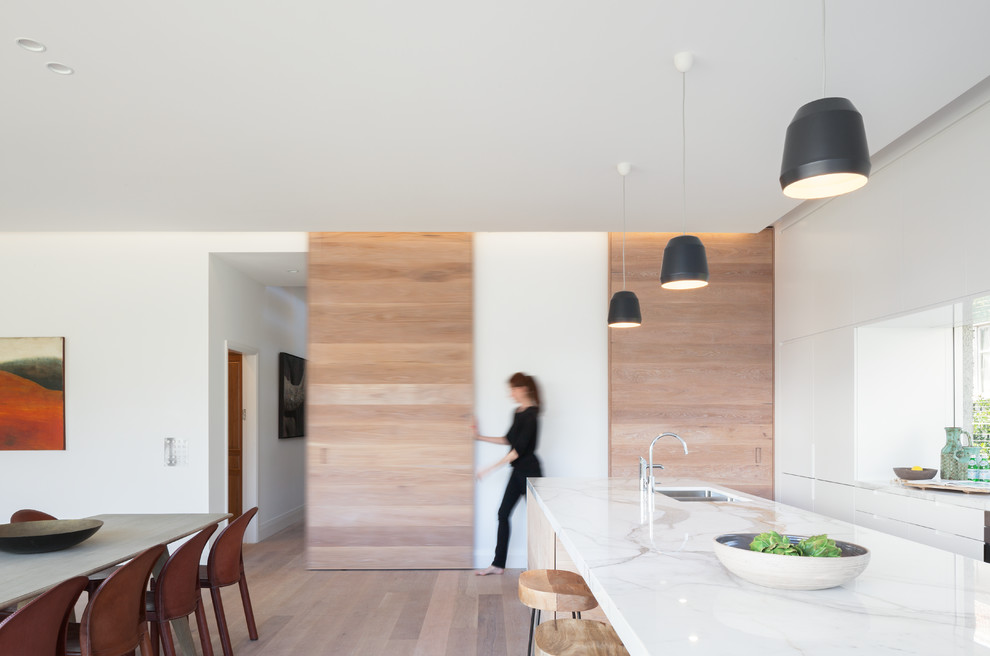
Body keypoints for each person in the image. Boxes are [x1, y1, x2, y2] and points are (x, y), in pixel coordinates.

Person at [474, 372, 542, 576]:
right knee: (503, 514)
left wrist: (489, 468)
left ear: (523, 389)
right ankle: (498, 564)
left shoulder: (532, 415)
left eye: (513, 388)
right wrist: (478, 437)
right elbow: (508, 440)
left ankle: (542, 567)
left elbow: (517, 451)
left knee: (539, 521)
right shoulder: (518, 412)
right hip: (518, 472)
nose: (511, 393)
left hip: (531, 474)